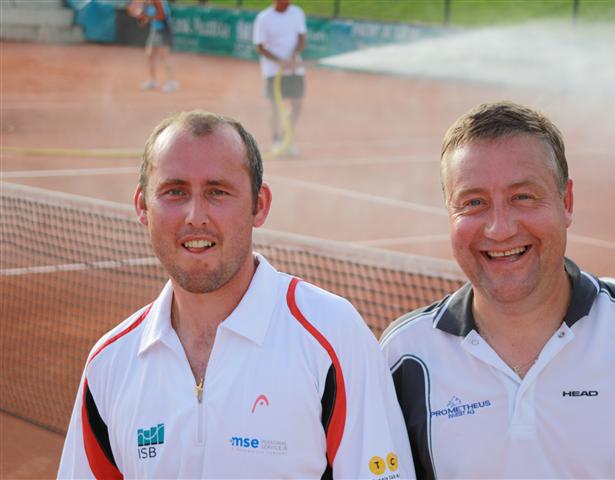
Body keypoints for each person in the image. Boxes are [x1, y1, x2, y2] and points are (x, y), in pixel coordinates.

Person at [58, 110, 415, 479]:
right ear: (142, 206)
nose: (195, 216)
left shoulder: (333, 336)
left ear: (259, 205)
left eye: (217, 192)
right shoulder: (108, 364)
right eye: (175, 191)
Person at [380, 101, 615, 479]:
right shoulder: (403, 356)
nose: (499, 229)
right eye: (473, 202)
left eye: (523, 197)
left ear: (566, 202)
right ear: (449, 212)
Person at [253, 0, 306, 156]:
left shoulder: (297, 12)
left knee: (297, 104)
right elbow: (260, 47)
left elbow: (301, 39)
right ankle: (276, 141)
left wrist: (294, 55)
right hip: (273, 71)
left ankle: (286, 139)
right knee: (275, 105)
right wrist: (280, 61)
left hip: (295, 69)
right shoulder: (264, 18)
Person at [138, 0, 178, 92]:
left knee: (164, 56)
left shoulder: (159, 2)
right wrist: (142, 19)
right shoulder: (148, 3)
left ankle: (172, 82)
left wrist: (147, 16)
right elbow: (145, 19)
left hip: (165, 30)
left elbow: (161, 17)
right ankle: (153, 81)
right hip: (155, 30)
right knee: (150, 55)